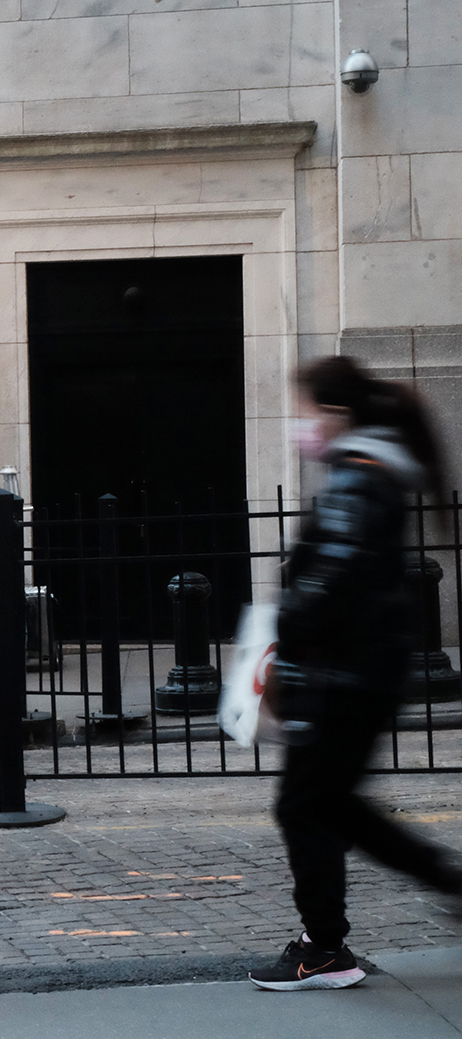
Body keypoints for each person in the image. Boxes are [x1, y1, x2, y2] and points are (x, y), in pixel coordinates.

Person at [249, 356, 462, 991]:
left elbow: (333, 577)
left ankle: (323, 950)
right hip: (360, 672)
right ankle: (440, 883)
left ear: (336, 414)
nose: (301, 426)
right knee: (330, 804)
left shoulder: (357, 480)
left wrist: (285, 627)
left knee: (305, 805)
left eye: (306, 411)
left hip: (344, 675)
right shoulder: (369, 474)